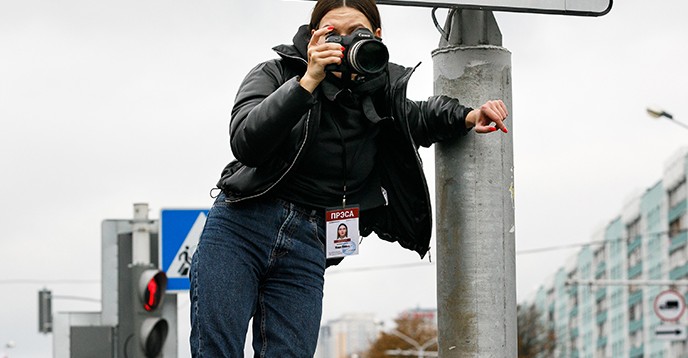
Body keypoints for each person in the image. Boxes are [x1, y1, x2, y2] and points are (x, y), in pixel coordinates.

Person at [189, 0, 508, 356]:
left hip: (310, 241)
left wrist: (467, 115)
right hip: (243, 227)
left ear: (376, 36)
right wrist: (307, 81)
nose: (343, 43)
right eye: (332, 34)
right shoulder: (276, 74)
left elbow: (420, 116)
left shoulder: (383, 96)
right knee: (216, 350)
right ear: (313, 39)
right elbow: (246, 142)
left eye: (355, 33)